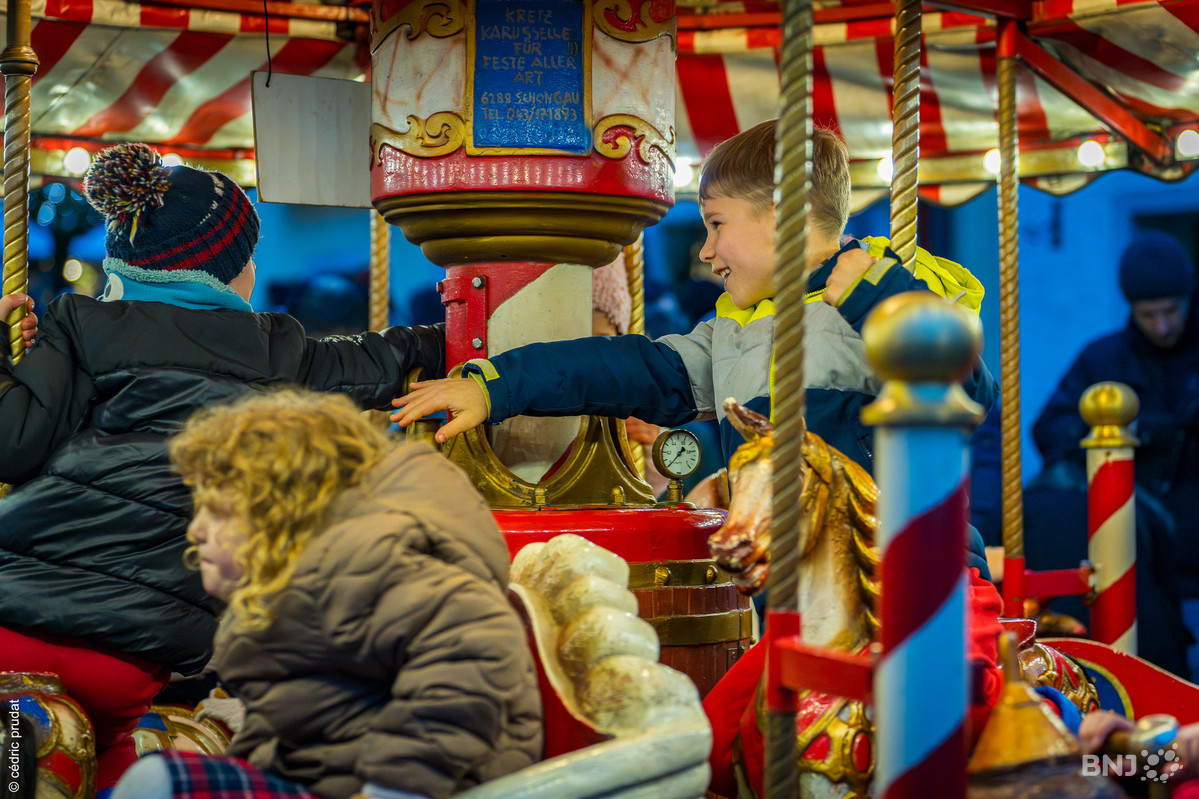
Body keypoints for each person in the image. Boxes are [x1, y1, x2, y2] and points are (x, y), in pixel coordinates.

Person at [0, 143, 445, 794]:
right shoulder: (276, 351)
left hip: (10, 621)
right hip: (131, 650)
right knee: (106, 759)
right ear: (229, 269)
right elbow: (385, 359)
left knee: (27, 765)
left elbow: (11, 443)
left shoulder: (81, 322)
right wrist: (456, 331)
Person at [390, 119, 998, 573]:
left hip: (915, 579)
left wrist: (881, 299)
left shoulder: (892, 296)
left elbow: (971, 390)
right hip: (799, 587)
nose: (706, 253)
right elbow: (628, 368)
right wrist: (496, 385)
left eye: (716, 223)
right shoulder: (735, 332)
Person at [112, 389, 541, 799]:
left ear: (277, 512)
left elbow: (474, 651)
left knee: (160, 782)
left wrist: (394, 790)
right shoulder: (301, 592)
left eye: (216, 510)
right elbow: (287, 733)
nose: (197, 530)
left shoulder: (369, 565)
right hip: (338, 781)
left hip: (418, 787)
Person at [1031, 232, 1199, 668]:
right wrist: (1140, 434)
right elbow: (1050, 430)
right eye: (1149, 315)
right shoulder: (1103, 359)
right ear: (1131, 309)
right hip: (1135, 557)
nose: (1162, 326)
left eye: (1171, 311)